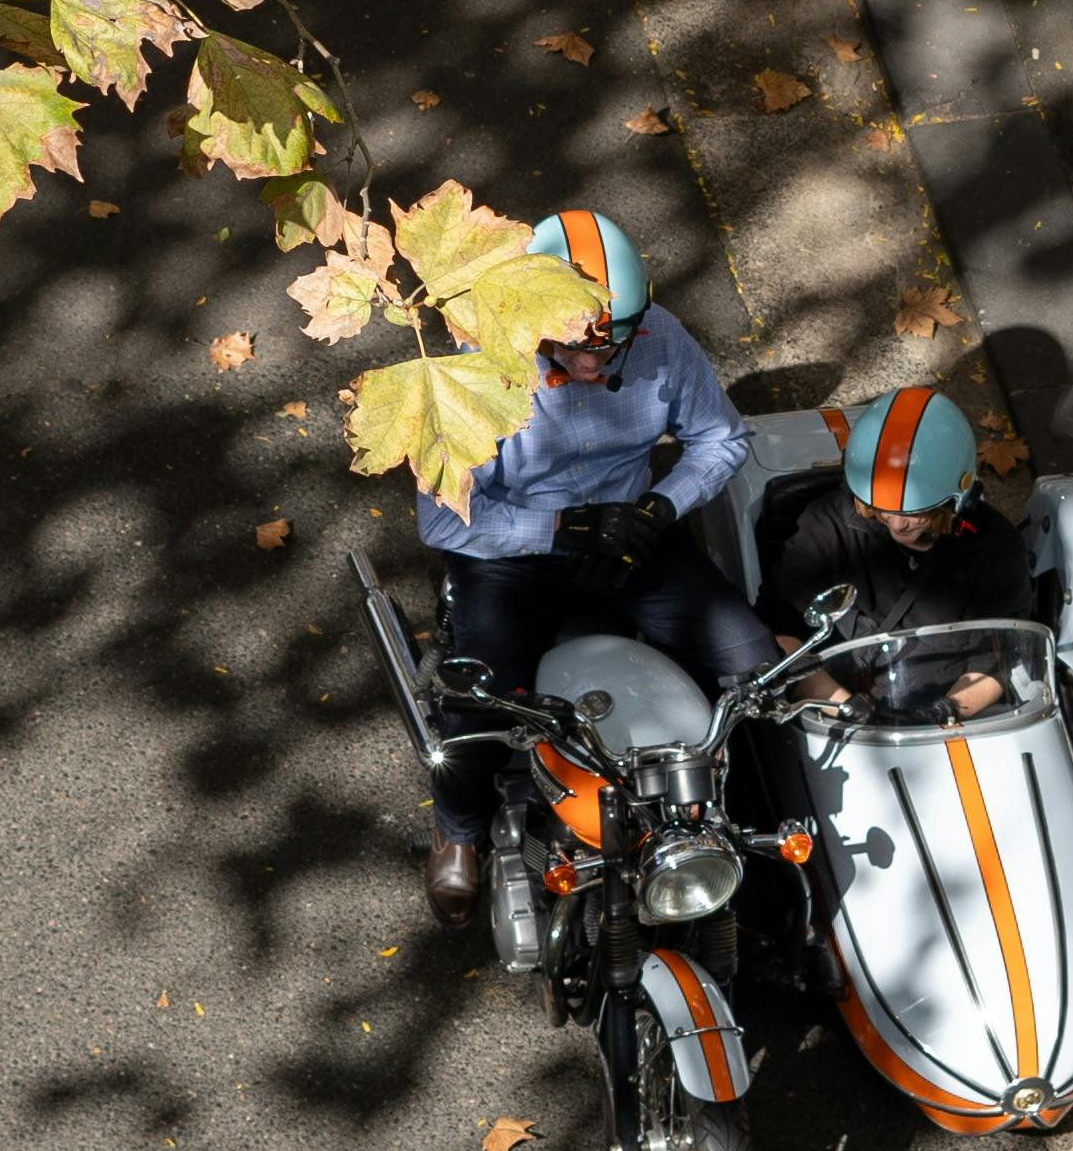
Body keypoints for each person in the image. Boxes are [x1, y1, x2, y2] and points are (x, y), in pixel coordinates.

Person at [415, 209, 780, 928]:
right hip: (518, 552)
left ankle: (748, 826)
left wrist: (661, 508)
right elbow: (444, 518)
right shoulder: (467, 368)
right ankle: (458, 832)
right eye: (577, 347)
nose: (594, 364)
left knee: (753, 663)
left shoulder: (660, 336)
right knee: (478, 695)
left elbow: (721, 439)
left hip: (631, 532)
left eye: (612, 346)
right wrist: (560, 527)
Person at [761, 386, 1030, 725]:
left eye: (919, 512)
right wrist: (848, 710)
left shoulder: (995, 546)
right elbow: (779, 628)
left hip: (955, 721)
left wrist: (942, 713)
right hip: (842, 716)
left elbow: (1004, 656)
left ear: (958, 496)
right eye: (881, 509)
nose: (898, 524)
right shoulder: (826, 525)